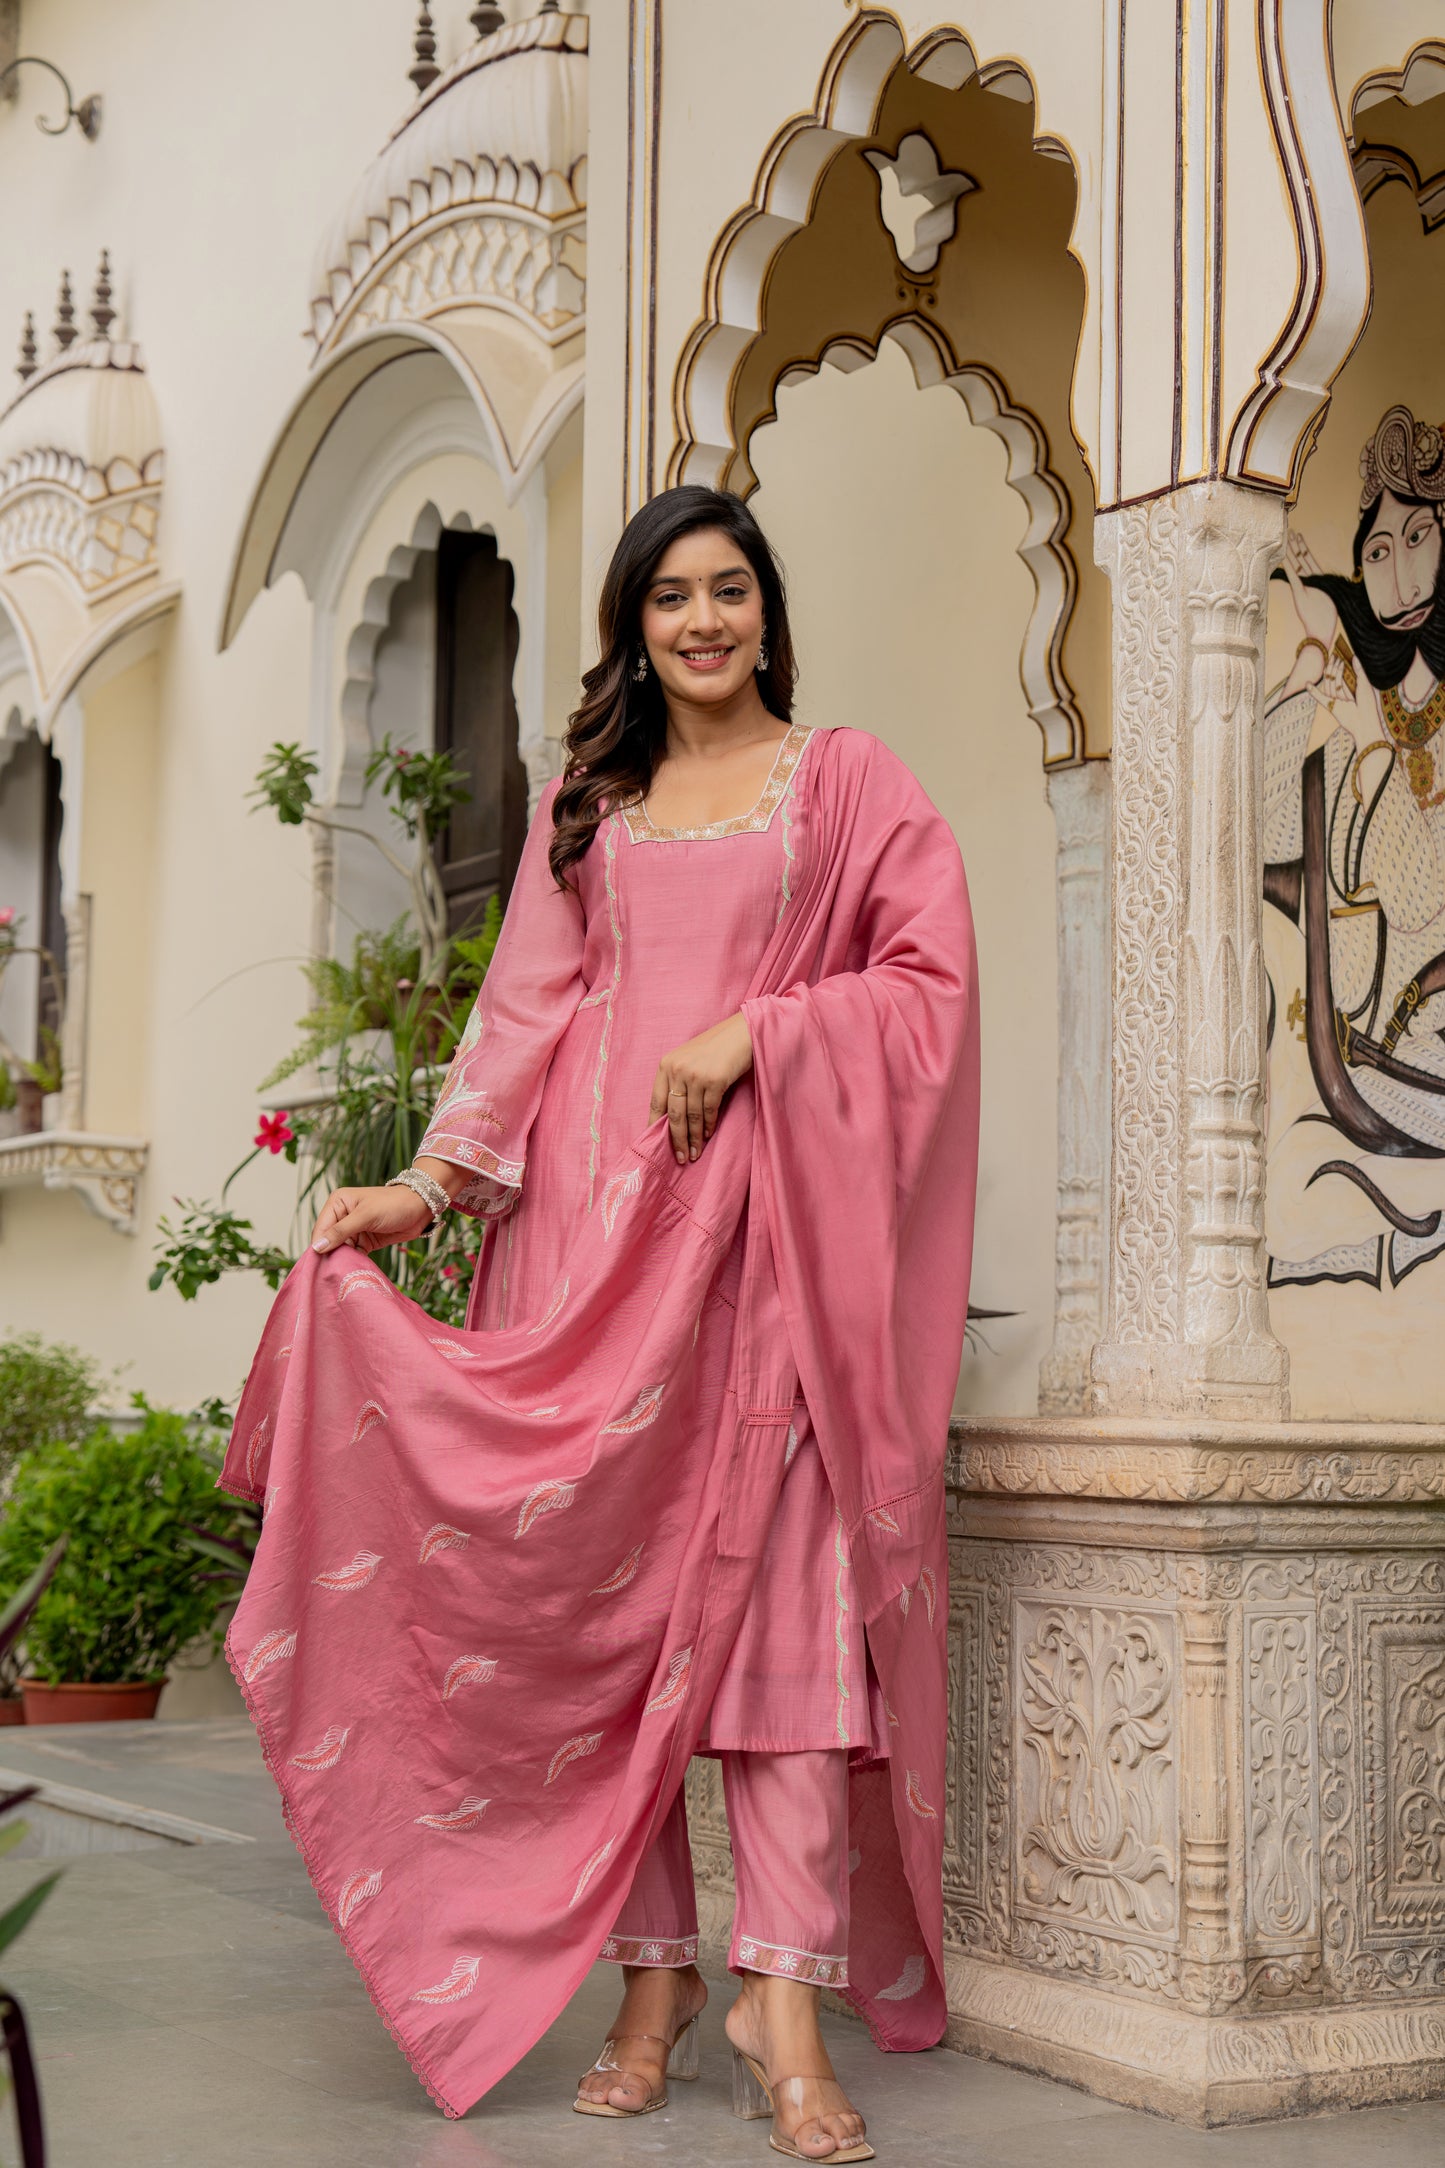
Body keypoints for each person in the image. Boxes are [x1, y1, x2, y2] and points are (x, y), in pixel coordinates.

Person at [222, 486, 980, 2157]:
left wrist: (760, 1035)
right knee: (602, 1628)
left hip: (767, 1262)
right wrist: (420, 1192)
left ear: (766, 610)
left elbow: (927, 987)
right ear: (633, 628)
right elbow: (520, 1021)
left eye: (727, 592)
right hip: (580, 1250)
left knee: (781, 1633)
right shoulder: (590, 803)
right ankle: (655, 1984)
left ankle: (782, 1995)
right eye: (668, 600)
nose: (701, 622)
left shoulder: (847, 785)